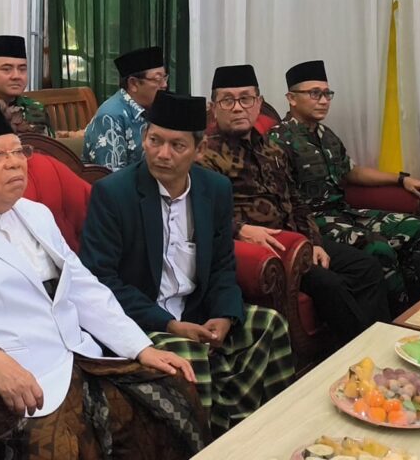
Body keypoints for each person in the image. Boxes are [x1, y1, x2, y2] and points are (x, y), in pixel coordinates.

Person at [0, 99, 209, 459]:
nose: (15, 162)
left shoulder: (35, 213)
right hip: (29, 382)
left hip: (83, 358)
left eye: (18, 151)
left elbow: (83, 288)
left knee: (174, 395)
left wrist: (140, 347)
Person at [80, 90, 297, 435]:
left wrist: (225, 314)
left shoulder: (215, 189)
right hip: (142, 320)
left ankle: (269, 432)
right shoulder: (114, 194)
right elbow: (100, 279)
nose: (162, 154)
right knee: (190, 358)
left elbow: (223, 264)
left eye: (177, 145)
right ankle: (212, 442)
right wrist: (169, 325)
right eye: (155, 140)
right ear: (144, 138)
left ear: (199, 149)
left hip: (195, 310)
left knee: (270, 324)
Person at [199, 65, 388, 343]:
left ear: (258, 103)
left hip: (298, 240)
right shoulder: (205, 155)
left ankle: (378, 342)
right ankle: (361, 352)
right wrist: (239, 229)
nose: (238, 107)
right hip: (265, 248)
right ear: (215, 107)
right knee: (330, 284)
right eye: (228, 100)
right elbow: (200, 213)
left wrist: (315, 242)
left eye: (246, 98)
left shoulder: (272, 150)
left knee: (366, 267)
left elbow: (296, 201)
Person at [270, 60, 420, 309]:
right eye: (315, 93)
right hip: (314, 222)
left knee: (419, 229)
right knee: (379, 248)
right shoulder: (277, 140)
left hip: (344, 212)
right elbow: (282, 199)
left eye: (327, 94)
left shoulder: (326, 135)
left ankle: (418, 307)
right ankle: (397, 318)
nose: (324, 100)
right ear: (292, 98)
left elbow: (351, 172)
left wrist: (401, 179)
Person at [82, 46, 168, 170]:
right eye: (158, 79)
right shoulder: (109, 117)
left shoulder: (156, 107)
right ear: (133, 84)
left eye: (165, 78)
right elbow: (112, 175)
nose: (164, 85)